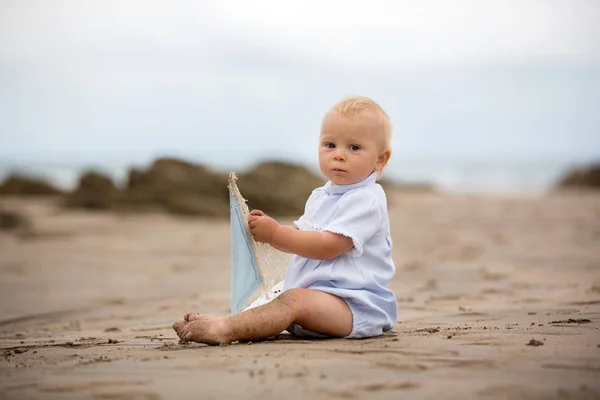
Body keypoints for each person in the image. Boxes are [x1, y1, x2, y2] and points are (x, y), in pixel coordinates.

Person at [173, 95, 398, 345]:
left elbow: (328, 246)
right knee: (273, 298)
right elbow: (304, 235)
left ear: (380, 159)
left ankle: (224, 329)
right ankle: (228, 319)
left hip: (354, 305)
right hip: (316, 297)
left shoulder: (366, 200)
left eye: (354, 148)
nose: (339, 155)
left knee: (291, 301)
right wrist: (269, 230)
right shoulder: (321, 195)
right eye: (330, 145)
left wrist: (277, 235)